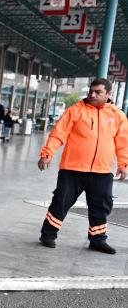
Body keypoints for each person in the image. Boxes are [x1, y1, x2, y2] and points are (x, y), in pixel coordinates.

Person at [38, 78, 128, 254]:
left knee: (101, 206)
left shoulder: (117, 115)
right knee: (61, 201)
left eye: (98, 92)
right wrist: (47, 154)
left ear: (108, 94)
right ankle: (48, 234)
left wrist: (124, 164)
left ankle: (97, 240)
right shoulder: (75, 111)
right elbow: (58, 134)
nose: (92, 94)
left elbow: (123, 143)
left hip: (101, 171)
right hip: (72, 168)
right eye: (91, 91)